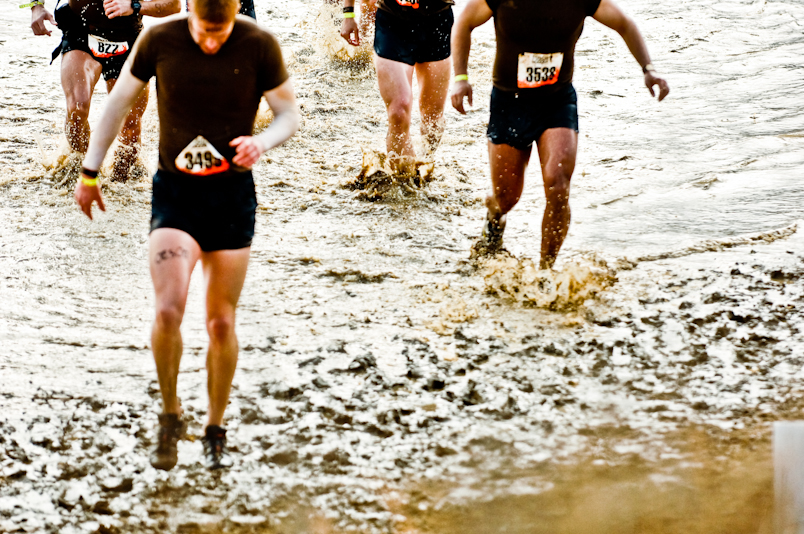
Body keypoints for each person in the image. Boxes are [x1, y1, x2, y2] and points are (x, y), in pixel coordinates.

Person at [74, 0, 299, 470]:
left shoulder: (260, 44)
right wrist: (90, 172)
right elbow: (116, 104)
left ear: (237, 10)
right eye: (203, 31)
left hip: (232, 197)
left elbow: (288, 116)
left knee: (220, 322)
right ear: (190, 10)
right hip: (175, 194)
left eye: (221, 32)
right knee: (168, 308)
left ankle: (215, 427)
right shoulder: (160, 39)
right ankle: (171, 413)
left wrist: (262, 141)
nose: (212, 41)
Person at [451, 0, 670, 268]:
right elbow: (464, 23)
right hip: (510, 102)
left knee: (558, 185)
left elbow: (624, 23)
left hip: (556, 100)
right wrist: (460, 79)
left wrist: (649, 69)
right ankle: (494, 218)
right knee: (507, 197)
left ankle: (545, 271)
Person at [29, 0, 180, 182]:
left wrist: (135, 6)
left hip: (127, 36)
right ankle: (82, 174)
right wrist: (36, 6)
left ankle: (119, 188)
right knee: (78, 109)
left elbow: (174, 5)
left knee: (130, 128)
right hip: (81, 30)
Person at [340, 0, 453, 171]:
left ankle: (426, 165)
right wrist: (349, 13)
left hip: (436, 23)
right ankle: (403, 181)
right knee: (399, 109)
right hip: (392, 23)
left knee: (433, 119)